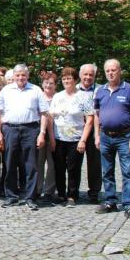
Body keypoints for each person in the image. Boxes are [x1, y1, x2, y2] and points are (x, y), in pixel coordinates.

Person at [0, 64, 50, 210]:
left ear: (28, 75)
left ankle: (30, 197)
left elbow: (44, 113)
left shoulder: (36, 90)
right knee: (9, 163)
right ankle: (11, 196)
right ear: (14, 76)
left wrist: (42, 133)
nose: (20, 78)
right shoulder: (6, 90)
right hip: (10, 129)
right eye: (18, 75)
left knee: (31, 165)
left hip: (31, 129)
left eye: (23, 75)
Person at [93, 59, 130, 222]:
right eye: (108, 71)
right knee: (107, 171)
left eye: (113, 70)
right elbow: (96, 114)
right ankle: (110, 201)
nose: (111, 73)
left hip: (124, 137)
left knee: (128, 172)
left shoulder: (129, 89)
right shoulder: (100, 90)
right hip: (106, 137)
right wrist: (97, 136)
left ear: (120, 71)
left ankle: (128, 205)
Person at [49, 67, 94, 208]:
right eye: (64, 79)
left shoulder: (84, 97)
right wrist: (51, 138)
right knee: (59, 167)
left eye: (69, 78)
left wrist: (83, 140)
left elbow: (90, 120)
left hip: (76, 139)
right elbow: (50, 116)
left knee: (74, 168)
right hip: (59, 138)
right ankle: (61, 194)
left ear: (75, 80)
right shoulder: (57, 96)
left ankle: (72, 196)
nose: (66, 81)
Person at [78, 63, 102, 203]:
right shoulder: (73, 90)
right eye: (85, 74)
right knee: (75, 162)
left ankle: (94, 192)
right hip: (77, 129)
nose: (88, 77)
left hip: (95, 130)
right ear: (80, 75)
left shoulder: (101, 90)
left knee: (94, 163)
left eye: (91, 75)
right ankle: (73, 191)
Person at [36, 72, 59, 204]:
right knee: (38, 163)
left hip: (55, 135)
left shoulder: (59, 97)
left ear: (55, 85)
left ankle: (49, 191)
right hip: (39, 134)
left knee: (52, 164)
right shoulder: (38, 97)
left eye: (51, 83)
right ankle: (37, 189)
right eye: (46, 82)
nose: (48, 85)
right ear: (42, 84)